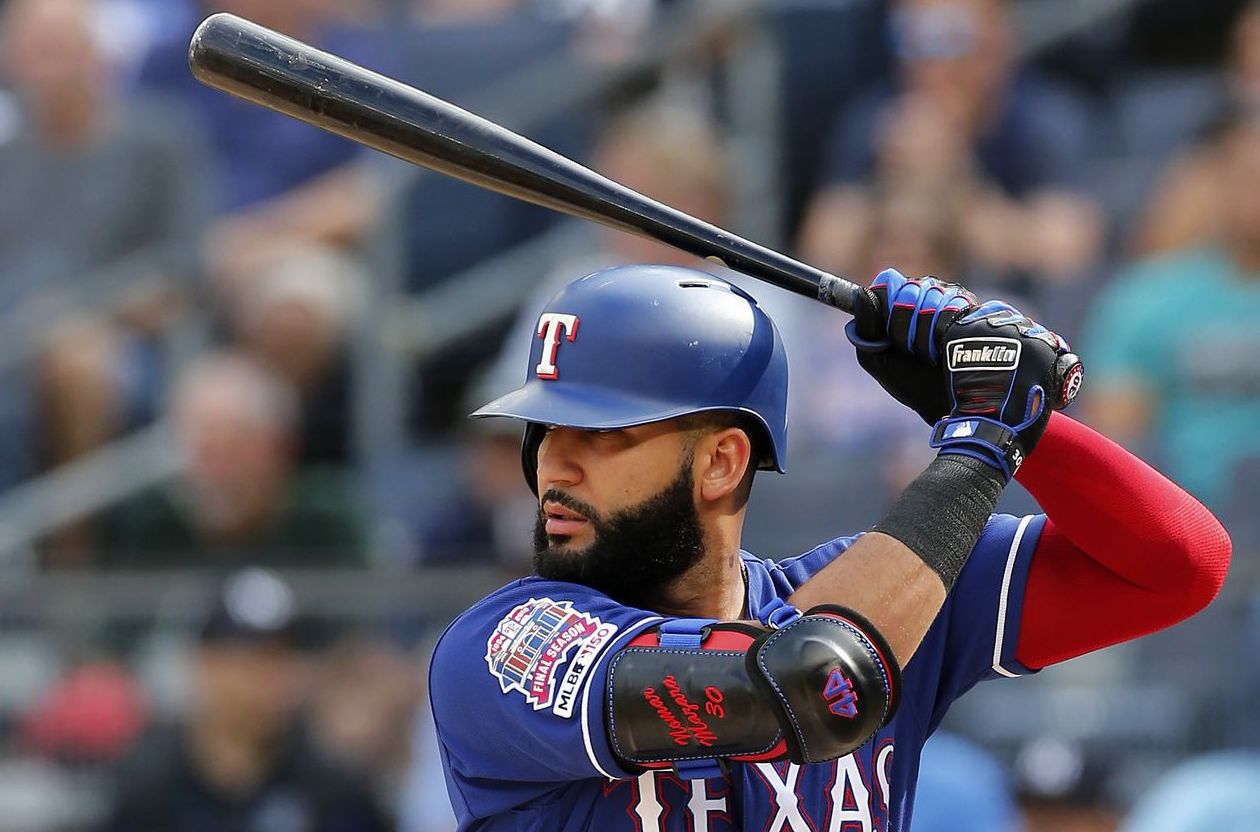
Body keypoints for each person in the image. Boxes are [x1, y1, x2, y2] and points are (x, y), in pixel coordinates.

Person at [427, 263, 1230, 830]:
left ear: (720, 461)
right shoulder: (503, 647)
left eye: (603, 433)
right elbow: (804, 684)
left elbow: (1179, 566)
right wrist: (982, 443)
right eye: (545, 428)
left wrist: (1027, 426)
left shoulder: (882, 591)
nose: (551, 463)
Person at [99, 567, 393, 831]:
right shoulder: (148, 787)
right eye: (252, 659)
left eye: (282, 658)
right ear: (205, 664)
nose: (270, 678)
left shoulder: (334, 791)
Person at [1081, 113, 1260, 510]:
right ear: (1218, 182)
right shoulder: (1149, 297)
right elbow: (1115, 445)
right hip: (1192, 514)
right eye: (1247, 176)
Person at [101, 352, 366, 570]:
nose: (216, 472)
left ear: (281, 446)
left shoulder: (324, 522)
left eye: (234, 450)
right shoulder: (154, 527)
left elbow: (367, 626)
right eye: (204, 453)